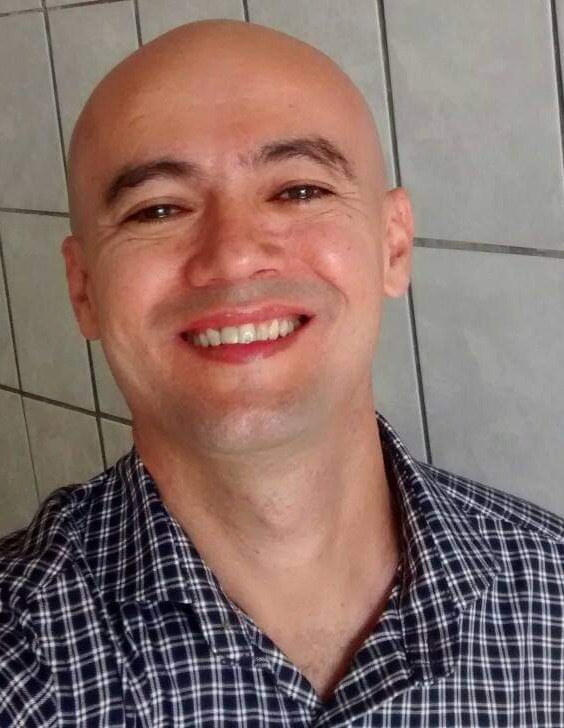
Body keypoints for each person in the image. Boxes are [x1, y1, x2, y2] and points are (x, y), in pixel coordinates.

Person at [1, 18, 563, 727]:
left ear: (393, 246)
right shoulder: (22, 662)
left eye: (298, 191)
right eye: (158, 209)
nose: (234, 256)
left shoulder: (552, 593)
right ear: (83, 289)